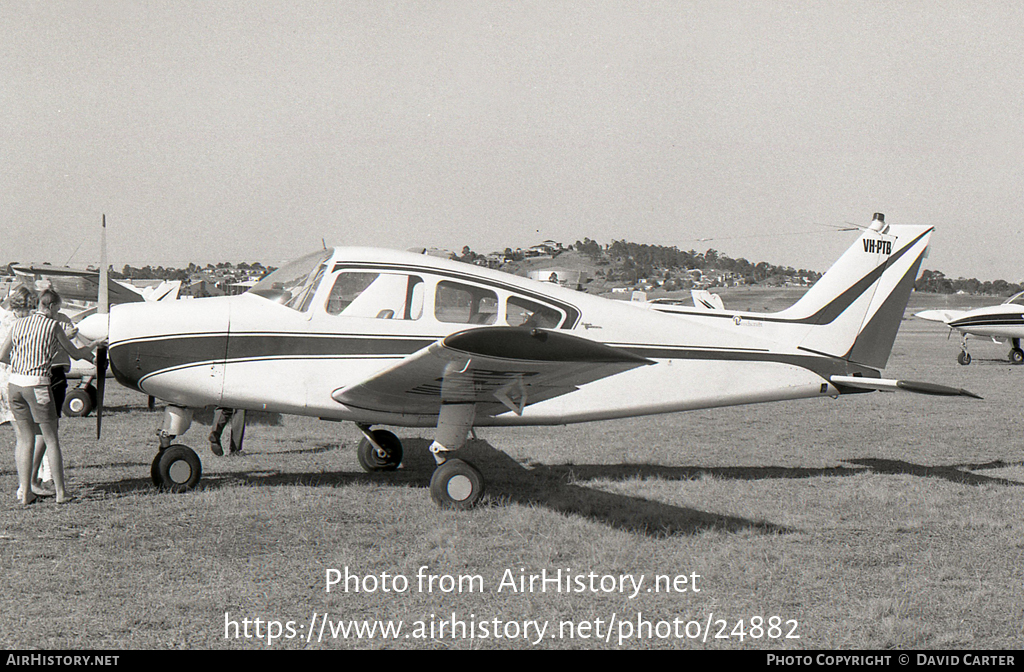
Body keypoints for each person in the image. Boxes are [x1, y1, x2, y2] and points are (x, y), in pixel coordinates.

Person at [0, 287, 98, 505]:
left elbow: (2, 355)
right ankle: (61, 493)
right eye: (58, 308)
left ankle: (25, 492)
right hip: (38, 384)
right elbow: (75, 353)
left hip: (15, 384)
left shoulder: (18, 324)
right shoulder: (53, 326)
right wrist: (93, 346)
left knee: (25, 440)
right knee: (51, 438)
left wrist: (20, 365)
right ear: (51, 306)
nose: (58, 313)